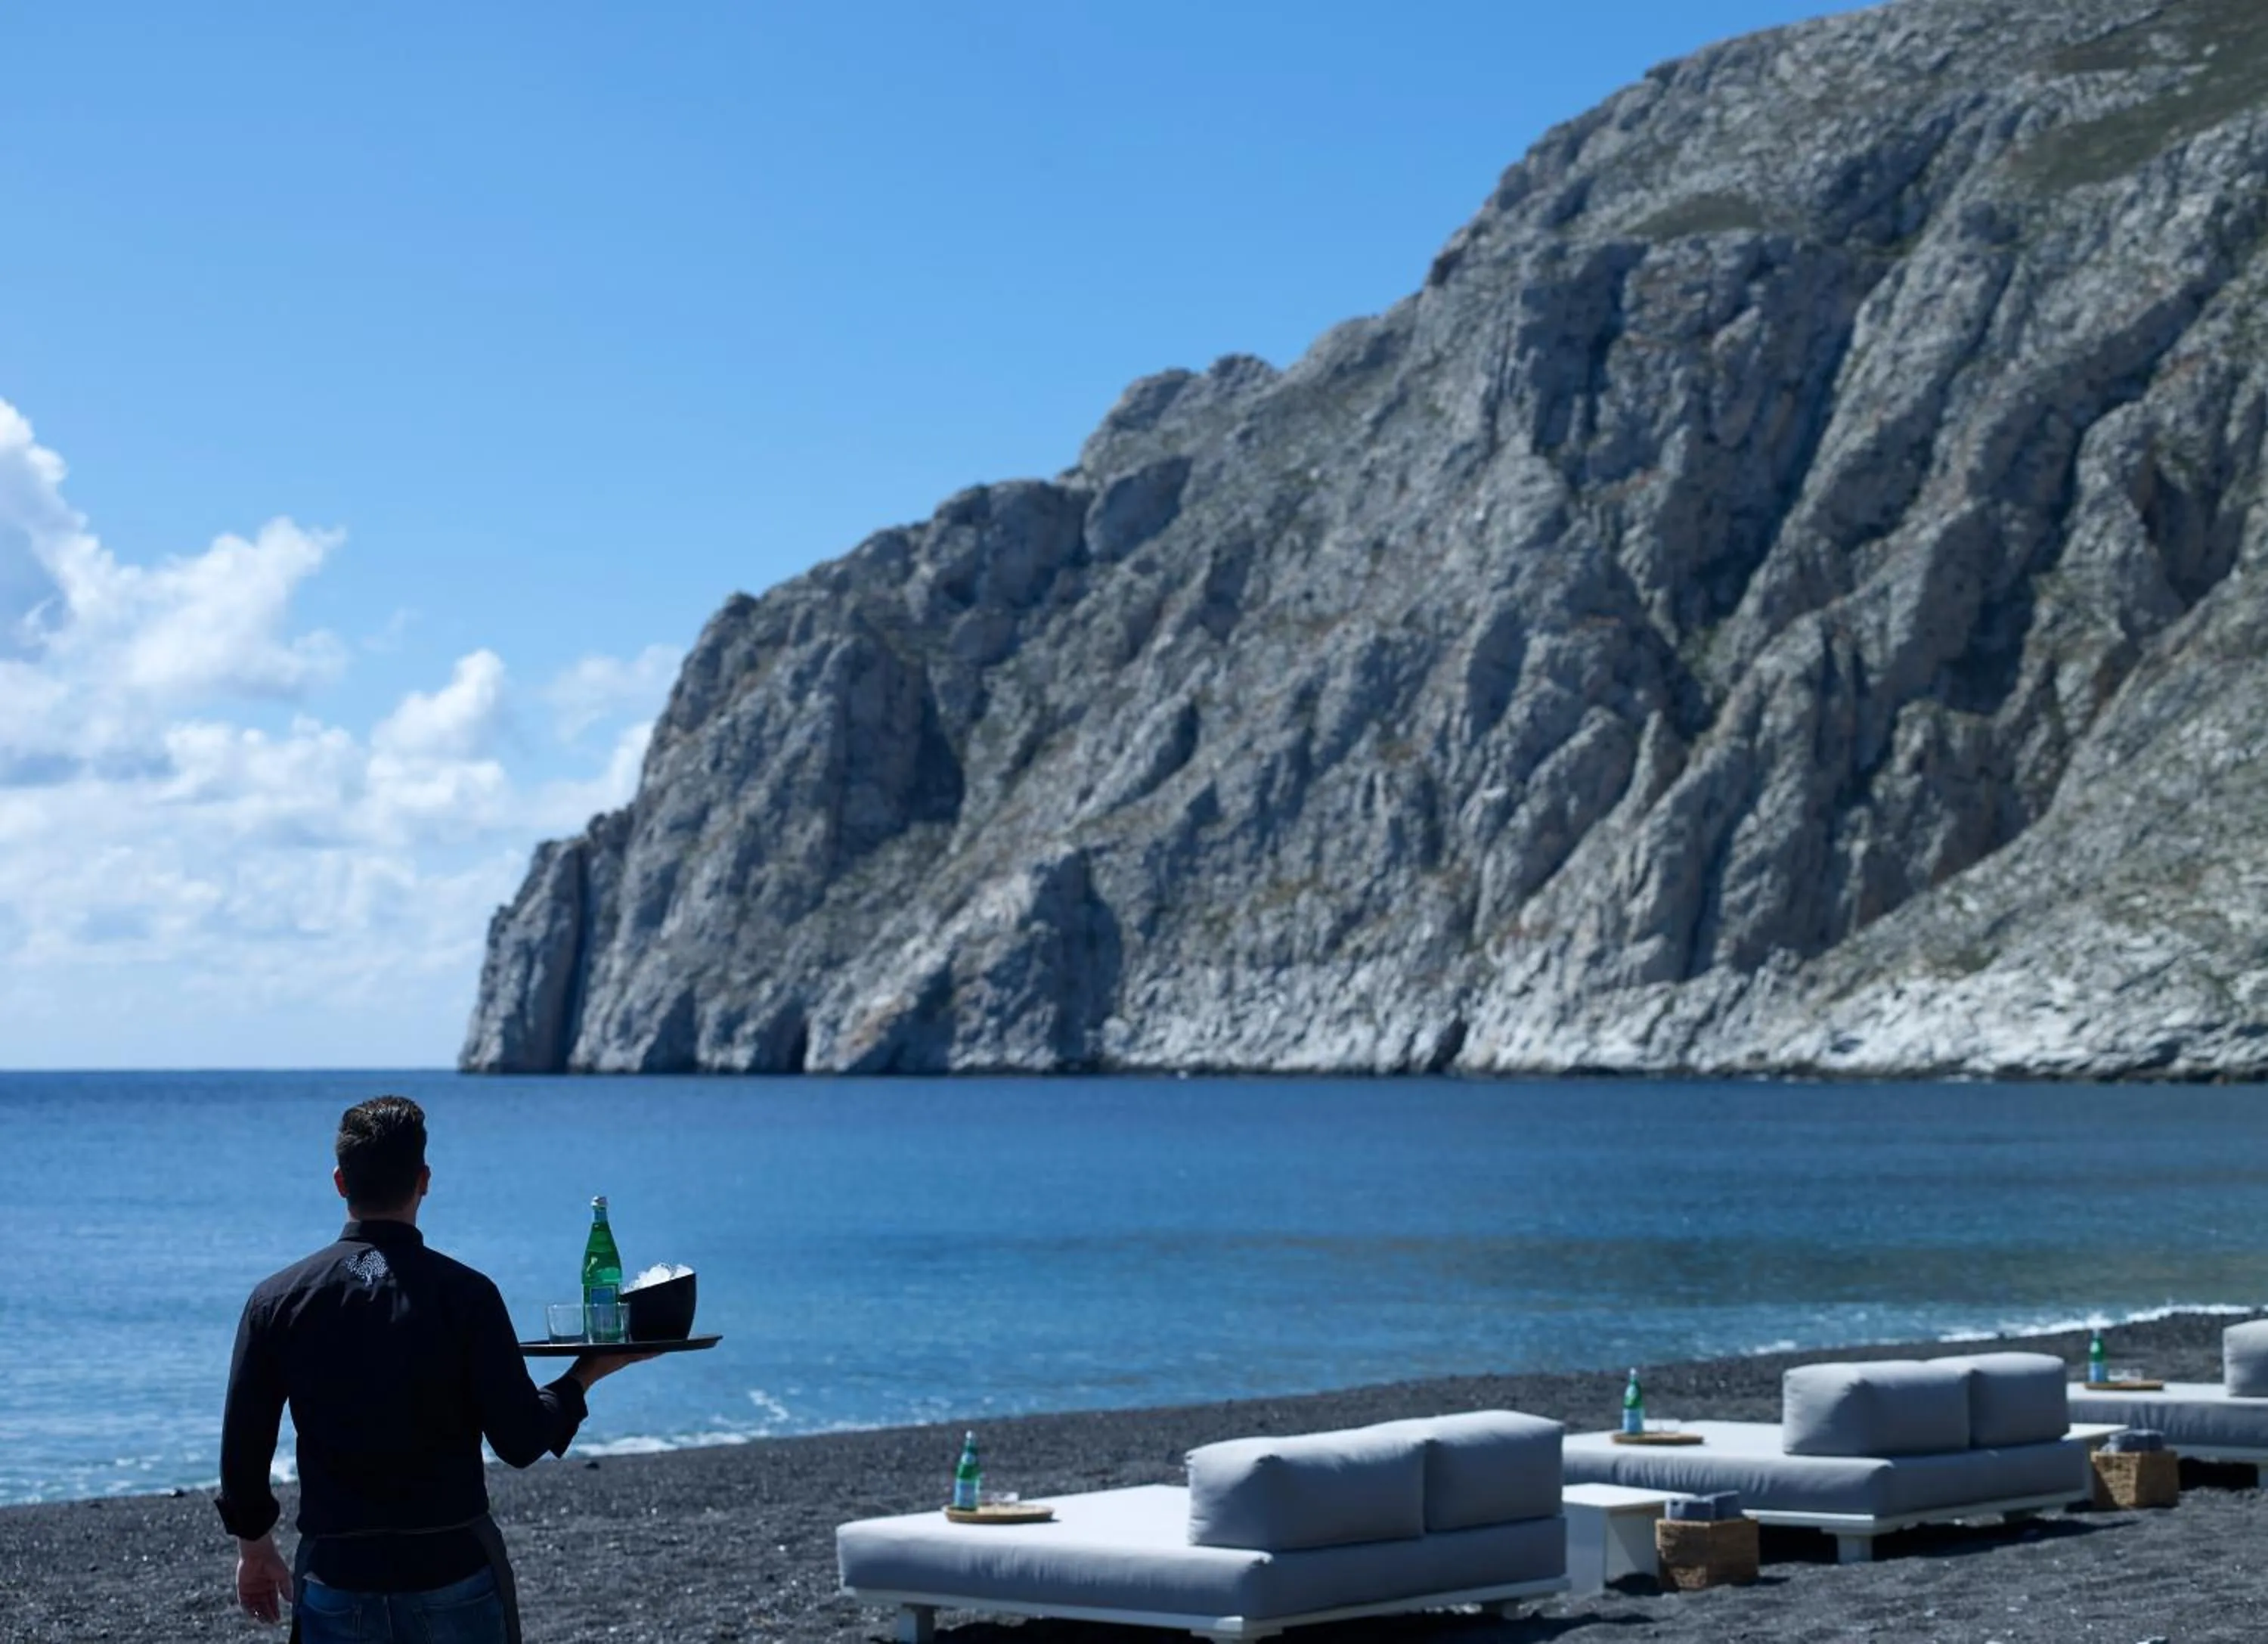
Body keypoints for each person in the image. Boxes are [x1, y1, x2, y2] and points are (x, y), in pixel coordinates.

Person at [216, 1095, 649, 1643]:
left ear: (340, 1182)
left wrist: (255, 1547)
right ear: (424, 1180)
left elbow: (244, 1445)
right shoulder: (466, 1296)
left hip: (336, 1571)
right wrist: (586, 1373)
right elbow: (520, 1440)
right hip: (451, 1567)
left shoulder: (276, 1300)